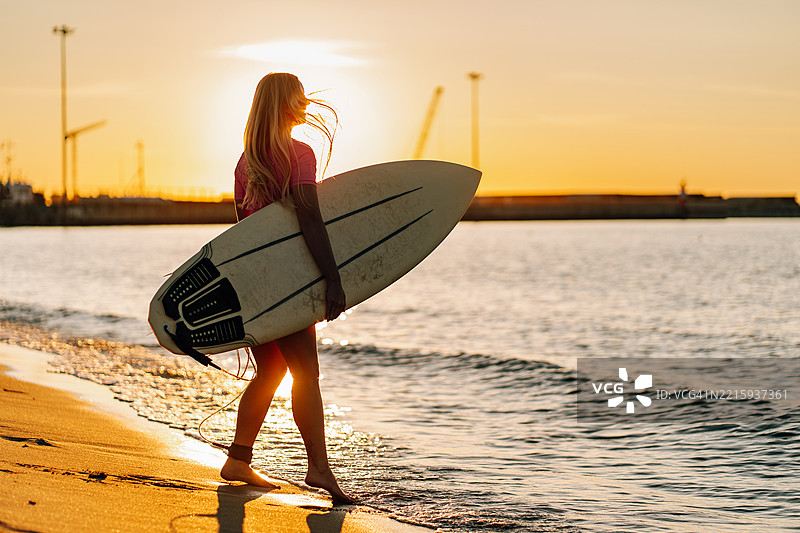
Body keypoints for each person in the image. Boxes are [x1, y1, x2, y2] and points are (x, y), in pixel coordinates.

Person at [220, 72, 352, 503]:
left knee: (272, 369)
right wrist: (333, 279)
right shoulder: (299, 154)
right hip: (288, 284)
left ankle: (239, 457)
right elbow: (310, 219)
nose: (306, 105)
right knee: (306, 374)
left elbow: (243, 232)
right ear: (284, 104)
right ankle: (319, 470)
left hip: (254, 282)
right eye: (299, 98)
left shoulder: (246, 163)